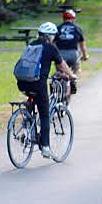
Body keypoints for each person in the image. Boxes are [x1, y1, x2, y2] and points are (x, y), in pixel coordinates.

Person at [14, 23, 76, 159]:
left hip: (23, 82)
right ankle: (46, 147)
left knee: (32, 97)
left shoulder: (31, 45)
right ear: (50, 36)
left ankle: (28, 120)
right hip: (38, 84)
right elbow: (62, 64)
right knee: (45, 114)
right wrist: (71, 75)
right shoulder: (51, 48)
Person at [55, 10, 88, 93]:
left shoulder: (58, 28)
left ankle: (59, 86)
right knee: (76, 69)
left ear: (63, 19)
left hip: (60, 54)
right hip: (73, 54)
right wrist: (85, 56)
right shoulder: (77, 29)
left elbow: (53, 43)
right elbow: (82, 46)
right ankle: (73, 81)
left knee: (60, 72)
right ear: (73, 19)